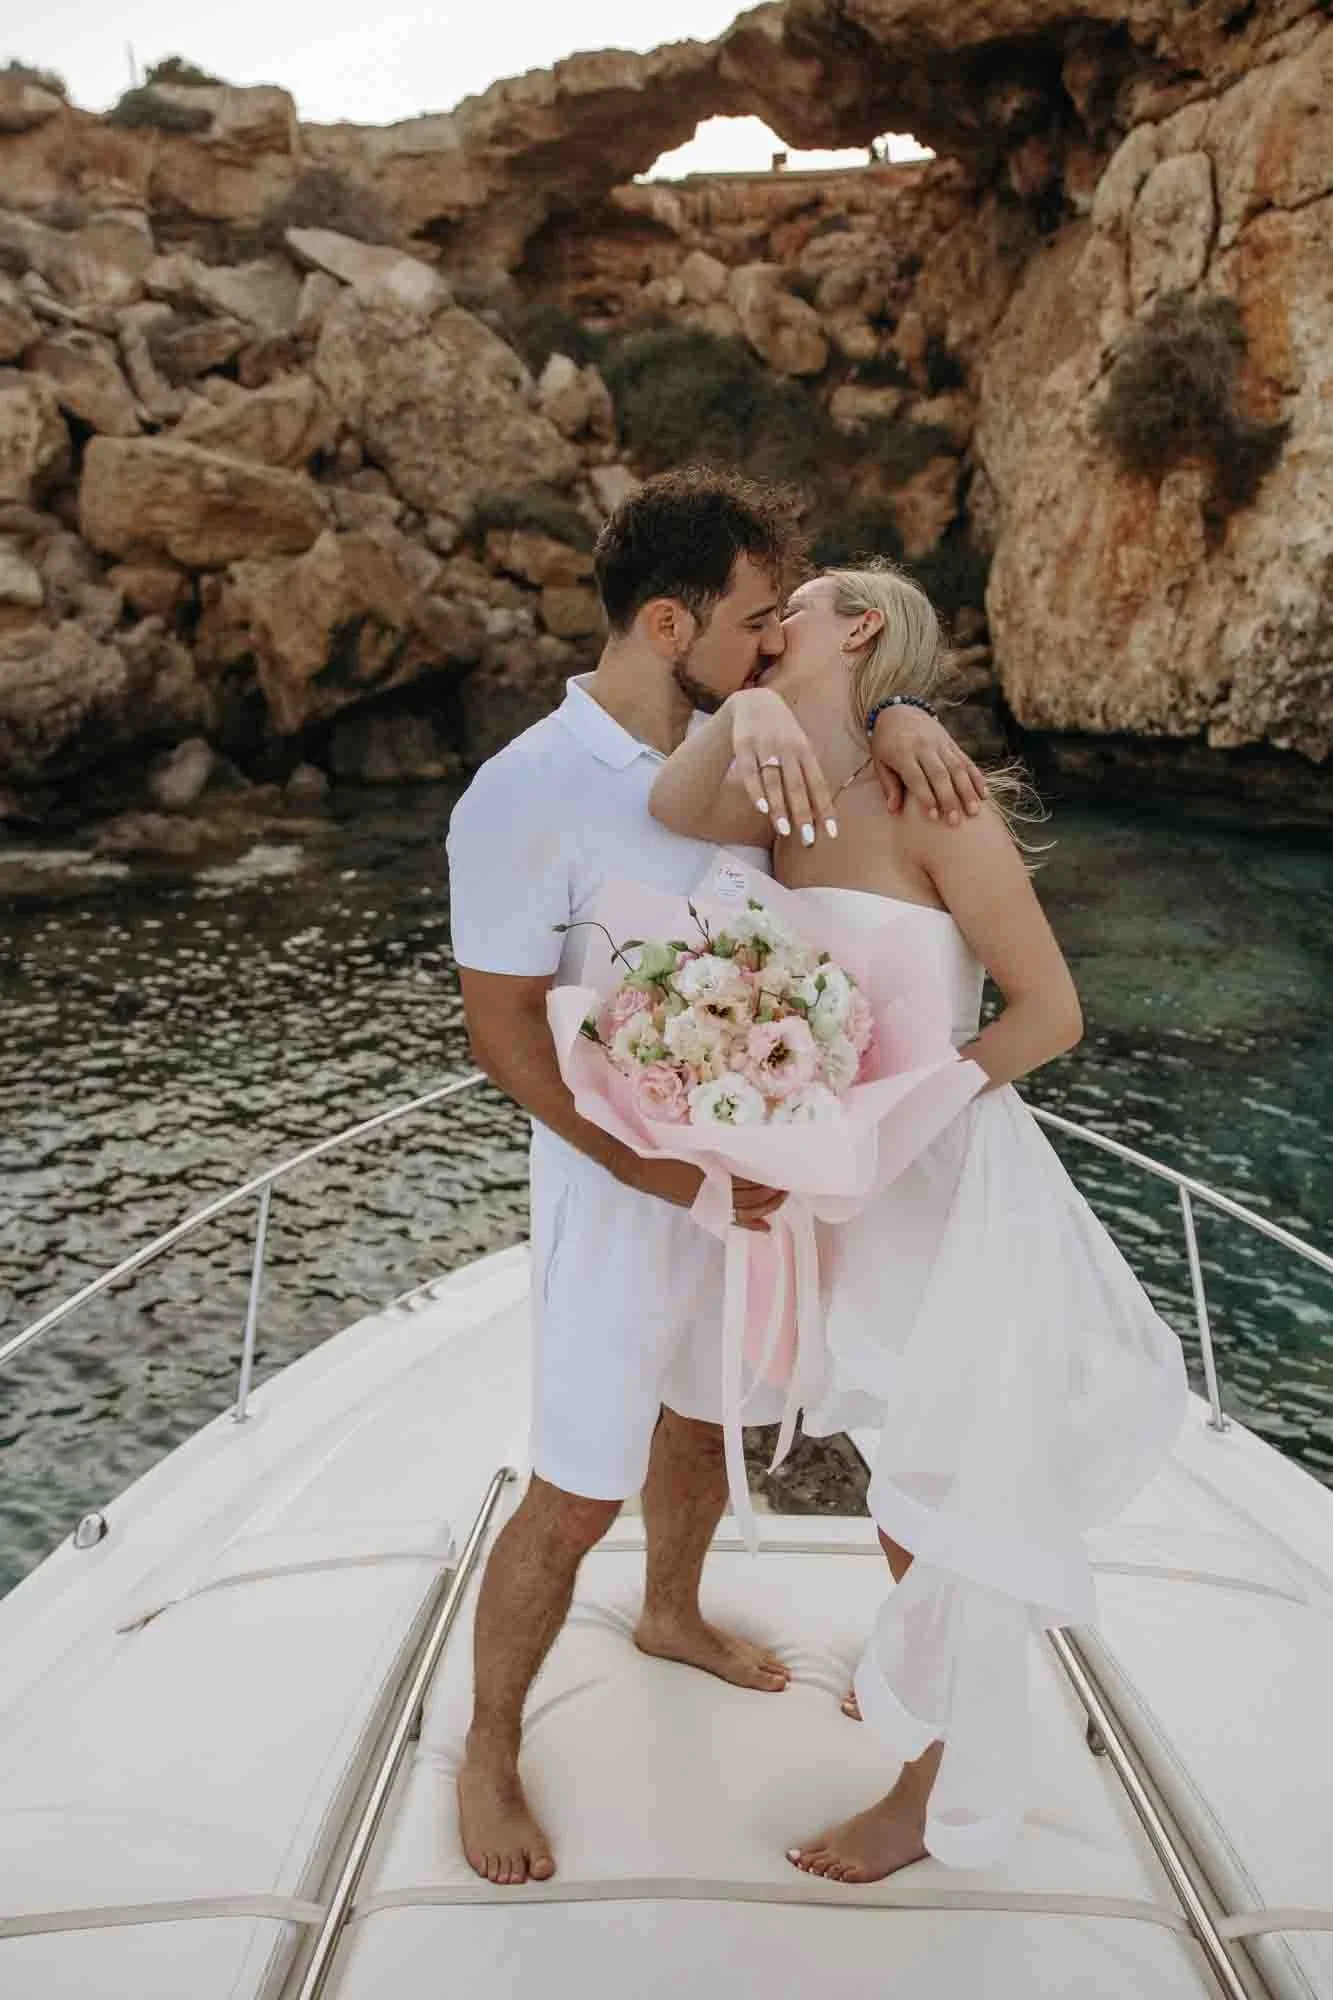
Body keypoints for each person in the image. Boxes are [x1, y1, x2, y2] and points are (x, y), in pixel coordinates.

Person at [445, 472, 986, 1887]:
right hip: (619, 1202)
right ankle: (489, 1744)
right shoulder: (522, 796)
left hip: (750, 1203)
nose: (765, 646)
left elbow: (843, 790)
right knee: (572, 1490)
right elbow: (504, 1040)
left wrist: (905, 716)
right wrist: (656, 1172)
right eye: (753, 622)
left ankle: (670, 1611)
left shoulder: (739, 759)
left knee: (700, 1424)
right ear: (669, 620)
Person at [648, 559, 1189, 1880]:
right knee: (714, 1392)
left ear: (863, 629)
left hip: (929, 1182)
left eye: (803, 606)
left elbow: (1049, 1014)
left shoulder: (934, 800)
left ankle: (933, 1780)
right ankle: (785, 1641)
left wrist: (895, 1112)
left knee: (931, 1483)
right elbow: (671, 796)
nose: (771, 626)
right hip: (806, 1181)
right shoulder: (773, 789)